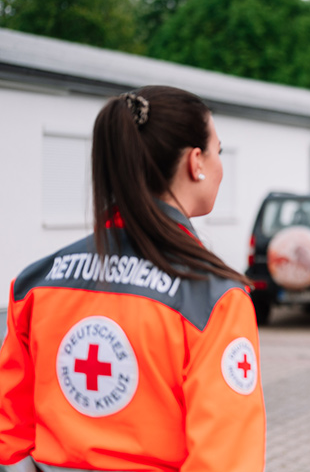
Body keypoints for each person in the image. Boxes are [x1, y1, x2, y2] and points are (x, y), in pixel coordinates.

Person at [0, 86, 266, 472]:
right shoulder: (213, 297)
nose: (220, 164)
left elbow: (10, 438)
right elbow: (225, 461)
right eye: (218, 151)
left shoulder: (36, 284)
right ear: (196, 162)